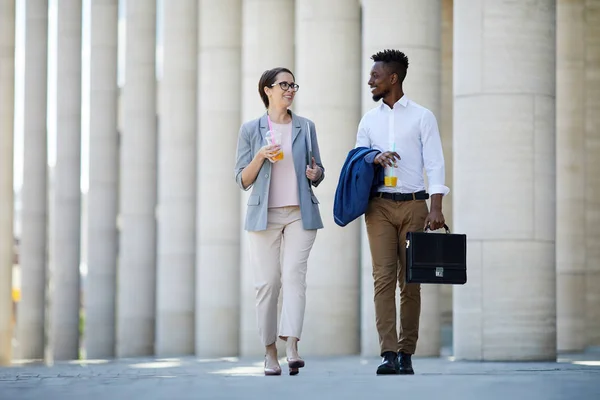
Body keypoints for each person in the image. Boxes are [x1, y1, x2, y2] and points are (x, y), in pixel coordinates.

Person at [355, 49, 449, 375]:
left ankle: (407, 353)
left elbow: (435, 163)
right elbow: (357, 159)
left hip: (414, 206)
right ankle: (388, 353)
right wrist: (372, 158)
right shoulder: (369, 119)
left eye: (376, 76)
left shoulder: (423, 116)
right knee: (382, 280)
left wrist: (436, 207)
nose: (370, 80)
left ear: (392, 78)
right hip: (378, 206)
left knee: (411, 283)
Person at [234, 67, 325, 376]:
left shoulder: (306, 127)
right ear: (267, 90)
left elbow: (318, 169)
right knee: (268, 284)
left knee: (295, 277)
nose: (290, 89)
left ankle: (293, 347)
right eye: (283, 84)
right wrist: (259, 156)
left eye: (292, 84)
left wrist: (316, 175)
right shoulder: (250, 129)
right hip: (264, 216)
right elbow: (242, 179)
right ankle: (270, 353)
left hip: (301, 213)